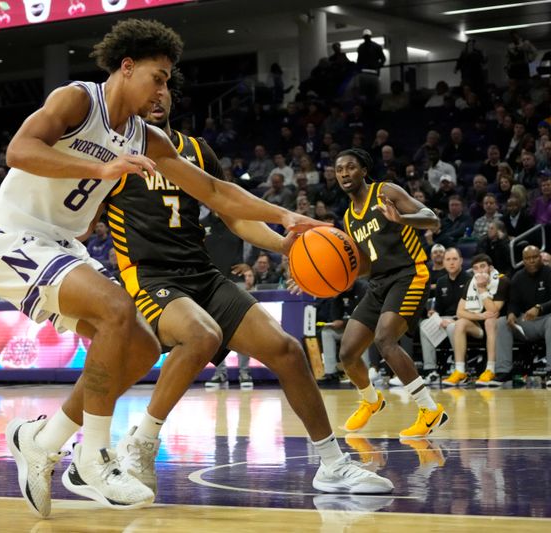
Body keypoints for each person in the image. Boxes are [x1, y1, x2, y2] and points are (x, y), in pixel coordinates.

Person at [0, 20, 388, 520]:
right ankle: (93, 458)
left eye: (169, 80)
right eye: (158, 75)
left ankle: (43, 439)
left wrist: (285, 218)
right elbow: (18, 151)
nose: (163, 88)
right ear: (126, 68)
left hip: (68, 246)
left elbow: (216, 194)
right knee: (119, 310)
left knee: (141, 347)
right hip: (15, 235)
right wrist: (101, 167)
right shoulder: (77, 101)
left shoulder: (149, 140)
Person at [101, 68, 391, 495]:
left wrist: (286, 246)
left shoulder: (196, 152)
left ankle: (331, 464)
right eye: (152, 88)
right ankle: (141, 441)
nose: (159, 97)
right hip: (149, 277)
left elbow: (233, 215)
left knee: (288, 351)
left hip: (201, 274)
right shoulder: (111, 152)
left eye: (166, 90)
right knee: (199, 336)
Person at [335, 148, 448, 439]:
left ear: (363, 170)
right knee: (347, 353)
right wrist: (328, 278)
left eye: (350, 167)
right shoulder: (349, 218)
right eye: (339, 170)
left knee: (385, 339)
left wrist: (401, 219)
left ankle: (429, 410)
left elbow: (431, 218)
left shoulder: (386, 192)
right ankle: (372, 401)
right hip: (378, 283)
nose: (345, 173)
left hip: (410, 274)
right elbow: (363, 265)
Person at [442, 254, 509, 387]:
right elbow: (459, 312)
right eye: (476, 268)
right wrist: (479, 316)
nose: (480, 271)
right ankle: (460, 371)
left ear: (490, 268)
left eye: (483, 267)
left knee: (490, 321)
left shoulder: (502, 280)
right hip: (478, 326)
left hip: (498, 326)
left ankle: (490, 369)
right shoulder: (471, 283)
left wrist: (482, 289)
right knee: (459, 323)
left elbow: (494, 312)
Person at [495, 246, 551, 387]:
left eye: (535, 257)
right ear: (523, 260)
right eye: (527, 258)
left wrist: (540, 308)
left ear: (540, 257)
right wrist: (511, 314)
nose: (531, 261)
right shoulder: (518, 277)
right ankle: (503, 371)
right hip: (525, 322)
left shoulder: (549, 273)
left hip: (545, 321)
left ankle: (550, 370)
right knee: (501, 322)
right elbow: (514, 302)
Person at [419, 247, 470, 385]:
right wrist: (434, 313)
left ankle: (462, 368)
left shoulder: (469, 280)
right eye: (448, 259)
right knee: (424, 325)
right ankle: (431, 371)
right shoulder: (441, 282)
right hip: (444, 319)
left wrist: (453, 319)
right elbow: (439, 309)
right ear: (444, 262)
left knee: (453, 327)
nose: (451, 263)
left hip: (464, 319)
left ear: (461, 261)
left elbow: (473, 309)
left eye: (454, 259)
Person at [318, 280, 368, 384]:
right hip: (346, 329)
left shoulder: (363, 288)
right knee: (327, 332)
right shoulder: (339, 290)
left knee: (365, 333)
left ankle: (364, 373)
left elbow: (364, 314)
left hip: (362, 327)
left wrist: (344, 322)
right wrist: (335, 298)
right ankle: (331, 372)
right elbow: (334, 316)